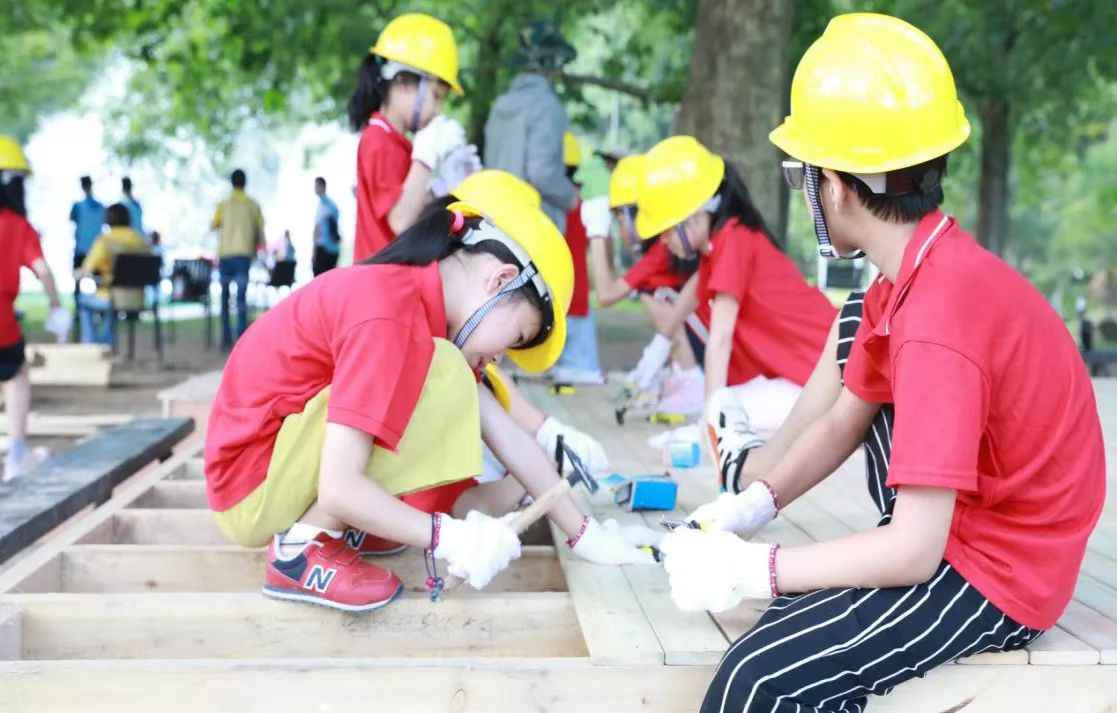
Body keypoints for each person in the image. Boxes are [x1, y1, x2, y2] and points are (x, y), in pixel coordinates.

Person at [660, 14, 1106, 712]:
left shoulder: (935, 319)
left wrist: (756, 568)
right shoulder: (908, 274)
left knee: (760, 678)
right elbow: (845, 417)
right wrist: (750, 508)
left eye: (804, 175)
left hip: (999, 571)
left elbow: (912, 552)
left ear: (837, 185)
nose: (806, 190)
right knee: (782, 622)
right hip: (966, 534)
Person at [204, 195, 652, 612]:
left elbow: (506, 432)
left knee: (449, 374)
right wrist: (450, 538)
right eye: (516, 336)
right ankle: (301, 549)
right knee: (444, 371)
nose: (501, 357)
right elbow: (339, 487)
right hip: (252, 486)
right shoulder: (390, 312)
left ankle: (350, 528)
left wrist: (586, 535)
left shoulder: (416, 313)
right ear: (500, 280)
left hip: (271, 469)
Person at [634, 136, 836, 482]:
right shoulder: (723, 241)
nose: (663, 241)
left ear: (693, 216)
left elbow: (720, 338)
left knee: (734, 412)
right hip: (811, 373)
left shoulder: (732, 241)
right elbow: (692, 293)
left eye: (665, 231)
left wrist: (711, 423)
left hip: (818, 378)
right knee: (731, 407)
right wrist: (659, 345)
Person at [583, 154, 708, 415]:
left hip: (710, 339)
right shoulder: (659, 247)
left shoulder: (662, 247)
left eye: (620, 218)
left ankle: (691, 380)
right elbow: (610, 281)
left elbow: (605, 295)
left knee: (655, 295)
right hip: (704, 333)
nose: (620, 227)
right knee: (651, 292)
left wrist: (597, 234)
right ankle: (678, 371)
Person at [348, 12, 467, 262]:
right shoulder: (378, 140)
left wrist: (445, 186)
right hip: (379, 280)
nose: (438, 110)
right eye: (436, 96)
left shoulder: (396, 141)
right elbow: (401, 221)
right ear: (403, 82)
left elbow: (412, 208)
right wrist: (425, 158)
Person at [0, 136, 70, 480]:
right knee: (16, 376)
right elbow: (42, 270)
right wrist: (56, 307)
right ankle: (16, 455)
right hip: (2, 323)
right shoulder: (18, 226)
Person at [483, 21, 578, 234]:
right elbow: (542, 173)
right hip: (533, 226)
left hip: (495, 219)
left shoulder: (500, 104)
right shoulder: (547, 106)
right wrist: (570, 196)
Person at [549, 132, 604, 385]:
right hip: (577, 296)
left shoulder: (553, 205)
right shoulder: (580, 203)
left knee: (577, 372)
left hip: (558, 296)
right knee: (580, 369)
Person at [76, 203, 152, 345]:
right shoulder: (140, 241)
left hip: (112, 297)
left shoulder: (105, 241)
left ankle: (91, 341)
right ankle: (107, 339)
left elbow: (87, 269)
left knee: (84, 300)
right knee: (112, 295)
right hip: (138, 298)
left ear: (107, 219)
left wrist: (78, 274)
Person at [211, 168, 264, 349]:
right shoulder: (253, 205)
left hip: (226, 255)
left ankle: (225, 338)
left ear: (232, 183)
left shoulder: (223, 204)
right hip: (243, 255)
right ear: (245, 183)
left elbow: (214, 225)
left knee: (225, 298)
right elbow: (260, 232)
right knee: (241, 298)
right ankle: (241, 339)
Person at [311, 177, 340, 276]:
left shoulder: (326, 206)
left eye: (316, 186)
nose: (315, 189)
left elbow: (317, 229)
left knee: (320, 278)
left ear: (322, 186)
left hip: (325, 249)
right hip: (332, 248)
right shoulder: (329, 205)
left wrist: (314, 250)